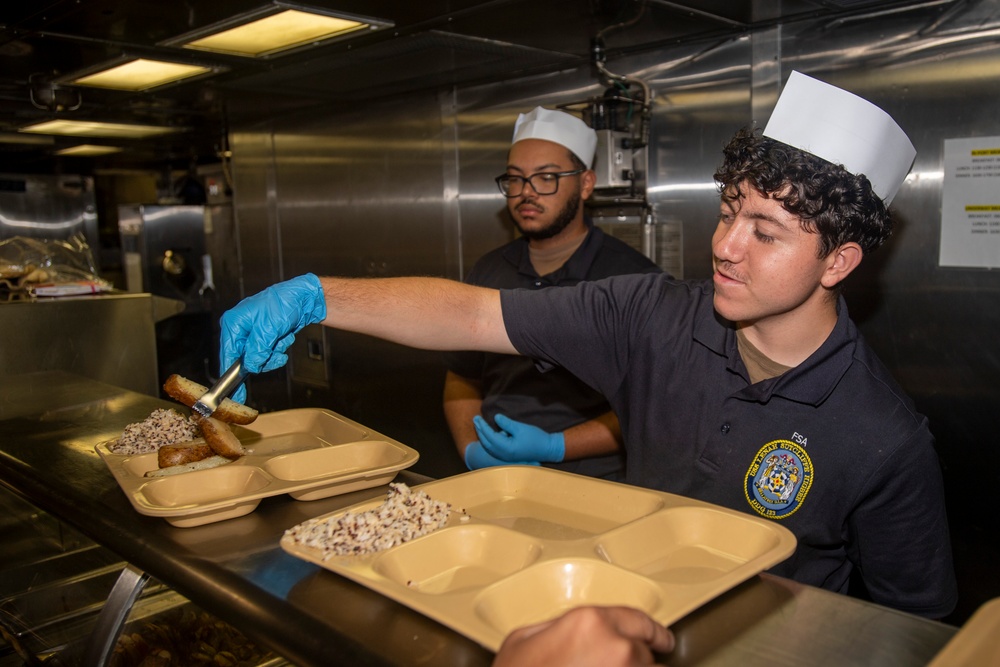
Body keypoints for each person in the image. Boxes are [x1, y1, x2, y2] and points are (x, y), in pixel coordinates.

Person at [219, 71, 957, 620]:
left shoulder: (884, 436)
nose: (725, 247)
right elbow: (473, 316)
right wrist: (319, 295)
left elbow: (914, 628)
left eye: (765, 232)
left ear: (838, 262)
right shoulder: (648, 315)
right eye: (730, 210)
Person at [444, 107, 661, 479]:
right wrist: (472, 451)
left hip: (595, 482)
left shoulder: (632, 279)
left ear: (586, 183)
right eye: (515, 179)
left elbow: (651, 405)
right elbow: (461, 378)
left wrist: (555, 445)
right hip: (497, 478)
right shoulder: (488, 270)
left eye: (546, 177)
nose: (526, 193)